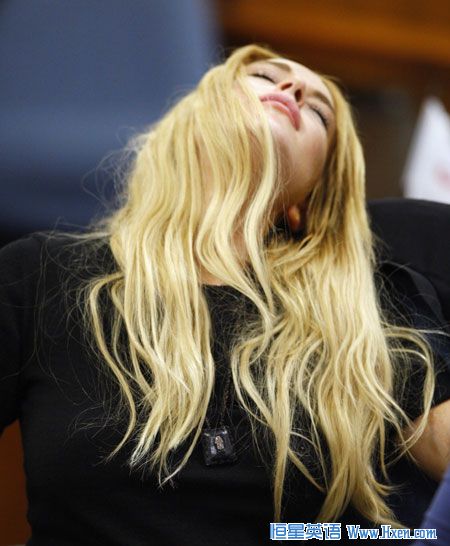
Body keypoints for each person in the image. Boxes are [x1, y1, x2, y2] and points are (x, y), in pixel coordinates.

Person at [1, 44, 450, 546]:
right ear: (194, 123)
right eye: (264, 76)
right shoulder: (42, 275)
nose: (293, 89)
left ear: (307, 203)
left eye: (320, 112)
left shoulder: (366, 311)